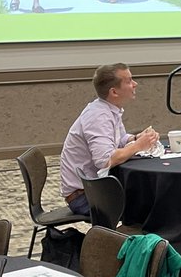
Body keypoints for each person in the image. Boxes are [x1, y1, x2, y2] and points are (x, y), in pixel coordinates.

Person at [59, 63, 158, 216]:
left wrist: (135, 138)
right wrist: (138, 145)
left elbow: (118, 139)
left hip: (95, 188)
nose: (135, 84)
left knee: (149, 196)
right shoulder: (98, 117)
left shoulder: (108, 109)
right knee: (152, 202)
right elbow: (104, 160)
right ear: (114, 92)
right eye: (129, 81)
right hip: (85, 196)